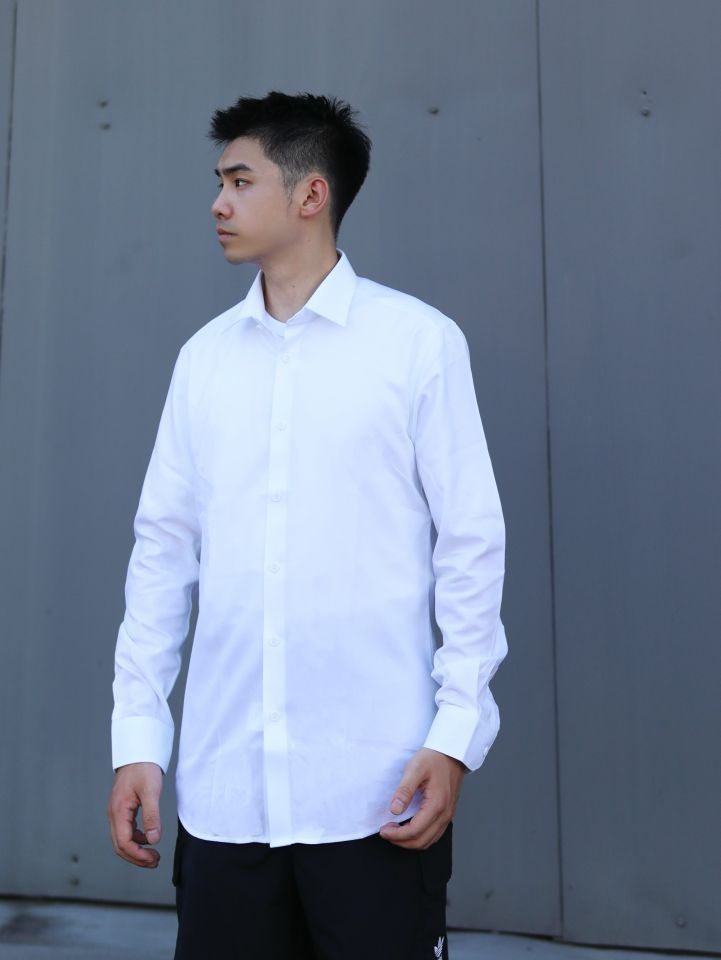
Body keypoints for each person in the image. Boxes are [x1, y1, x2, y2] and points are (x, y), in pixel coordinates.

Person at [107, 91, 508, 960]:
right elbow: (162, 554)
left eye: (239, 181)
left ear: (310, 194)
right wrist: (138, 739)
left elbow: (471, 546)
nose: (217, 203)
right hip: (225, 797)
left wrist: (454, 736)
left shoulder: (417, 344)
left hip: (375, 791)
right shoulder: (204, 361)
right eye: (220, 182)